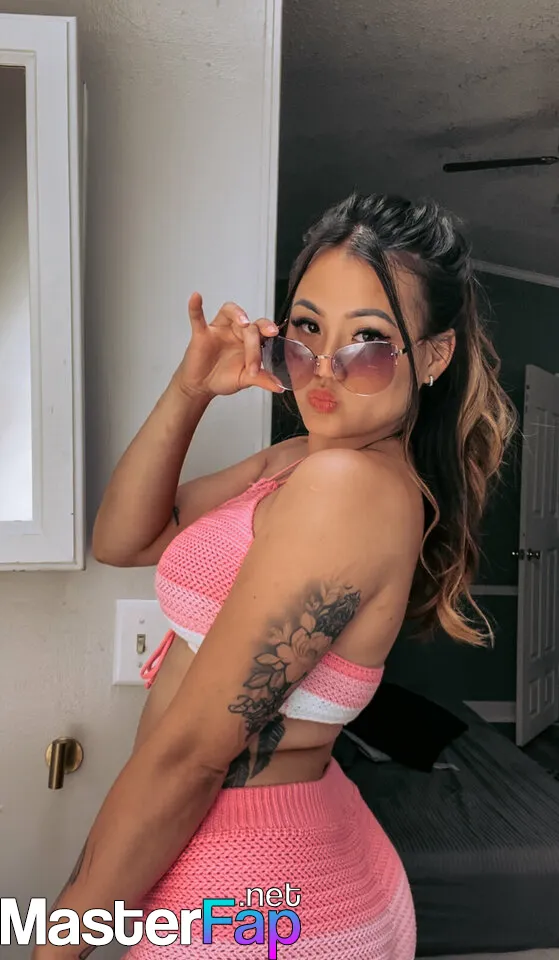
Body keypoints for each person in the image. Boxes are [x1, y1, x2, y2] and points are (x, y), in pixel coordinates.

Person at [34, 193, 516, 960]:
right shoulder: (304, 460)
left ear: (432, 355)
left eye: (368, 339)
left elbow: (190, 757)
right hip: (251, 849)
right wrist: (190, 388)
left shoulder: (345, 490)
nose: (324, 366)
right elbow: (125, 539)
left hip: (259, 893)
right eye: (306, 328)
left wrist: (57, 945)